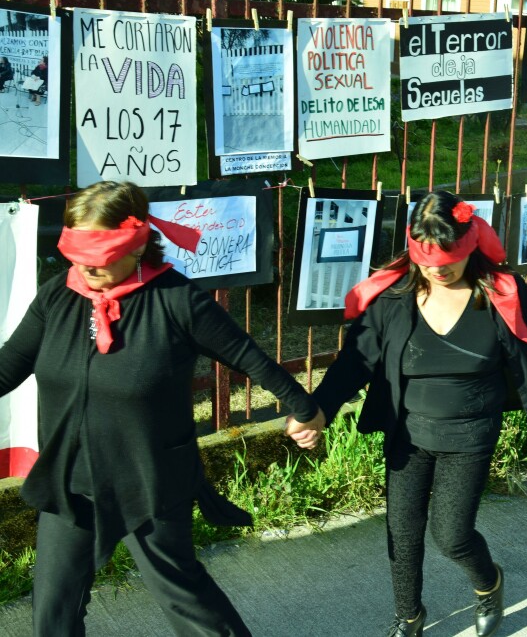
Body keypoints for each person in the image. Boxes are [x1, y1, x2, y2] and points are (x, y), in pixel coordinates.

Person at [0, 181, 324, 636]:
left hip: (148, 481)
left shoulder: (176, 300)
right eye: (76, 252)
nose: (84, 266)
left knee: (187, 602)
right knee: (52, 613)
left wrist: (304, 409)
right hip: (70, 482)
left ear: (135, 245)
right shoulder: (59, 296)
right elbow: (8, 366)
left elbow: (250, 358)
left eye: (98, 254)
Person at [303, 191, 527, 637]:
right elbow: (356, 361)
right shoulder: (394, 298)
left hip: (470, 433)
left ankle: (488, 583)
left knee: (451, 536)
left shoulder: (499, 293)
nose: (437, 269)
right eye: (427, 261)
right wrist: (318, 410)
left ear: (469, 246)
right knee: (403, 534)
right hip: (408, 434)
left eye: (447, 260)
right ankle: (408, 617)